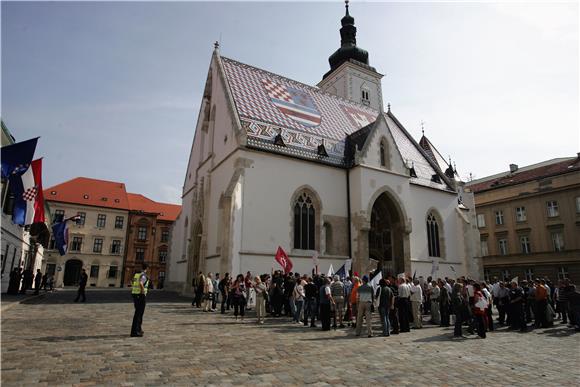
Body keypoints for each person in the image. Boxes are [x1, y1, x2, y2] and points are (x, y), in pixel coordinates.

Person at [130, 263, 149, 337]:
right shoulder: (143, 275)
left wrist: (134, 289)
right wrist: (143, 292)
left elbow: (131, 282)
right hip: (140, 295)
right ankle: (135, 332)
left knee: (138, 314)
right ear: (146, 268)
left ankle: (138, 329)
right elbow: (141, 283)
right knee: (139, 314)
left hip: (135, 294)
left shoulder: (136, 274)